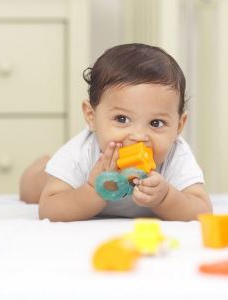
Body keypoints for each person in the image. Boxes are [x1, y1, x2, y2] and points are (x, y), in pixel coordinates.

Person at [19, 43, 212, 221]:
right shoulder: (82, 152)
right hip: (67, 183)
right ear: (91, 116)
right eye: (122, 119)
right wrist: (93, 190)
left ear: (179, 125)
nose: (138, 136)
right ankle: (42, 165)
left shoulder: (176, 155)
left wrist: (167, 197)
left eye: (156, 123)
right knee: (33, 191)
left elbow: (202, 210)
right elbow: (48, 209)